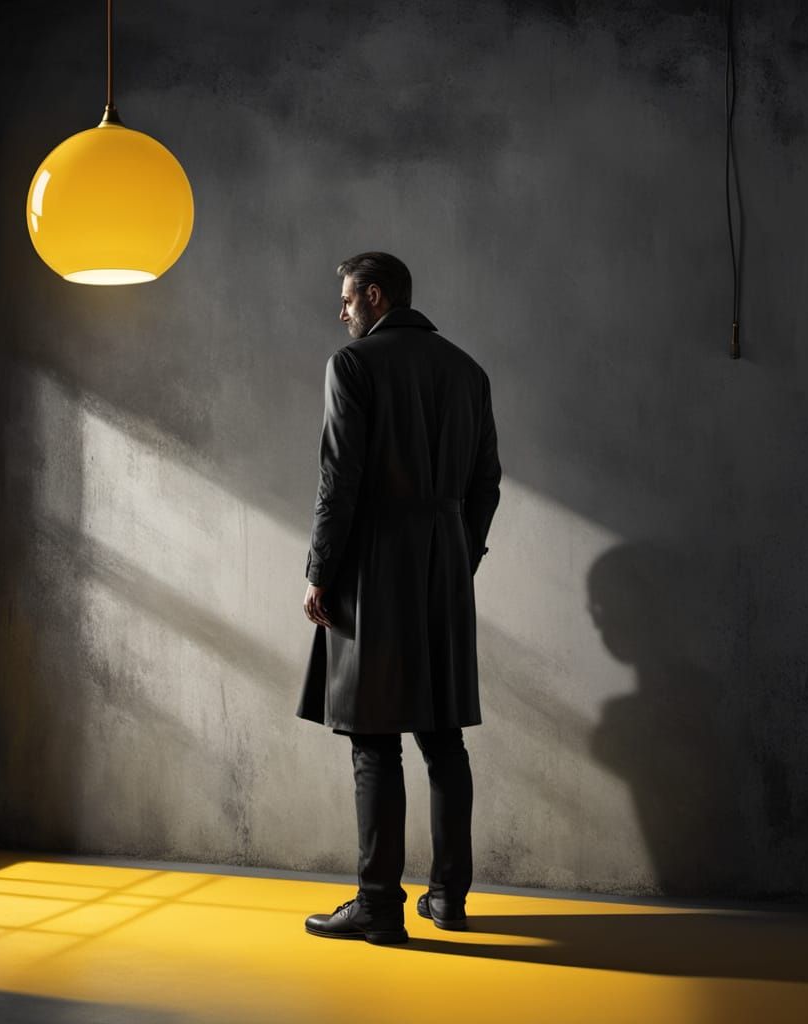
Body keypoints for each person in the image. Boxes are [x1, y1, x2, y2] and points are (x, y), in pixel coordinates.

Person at [296, 252, 501, 945]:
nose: (343, 313)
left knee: (374, 740)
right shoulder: (468, 372)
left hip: (375, 563)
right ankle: (449, 899)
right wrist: (457, 555)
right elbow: (487, 484)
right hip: (443, 564)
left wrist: (320, 570)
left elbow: (339, 481)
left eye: (348, 301)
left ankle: (379, 905)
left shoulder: (353, 366)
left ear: (374, 296)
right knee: (443, 739)